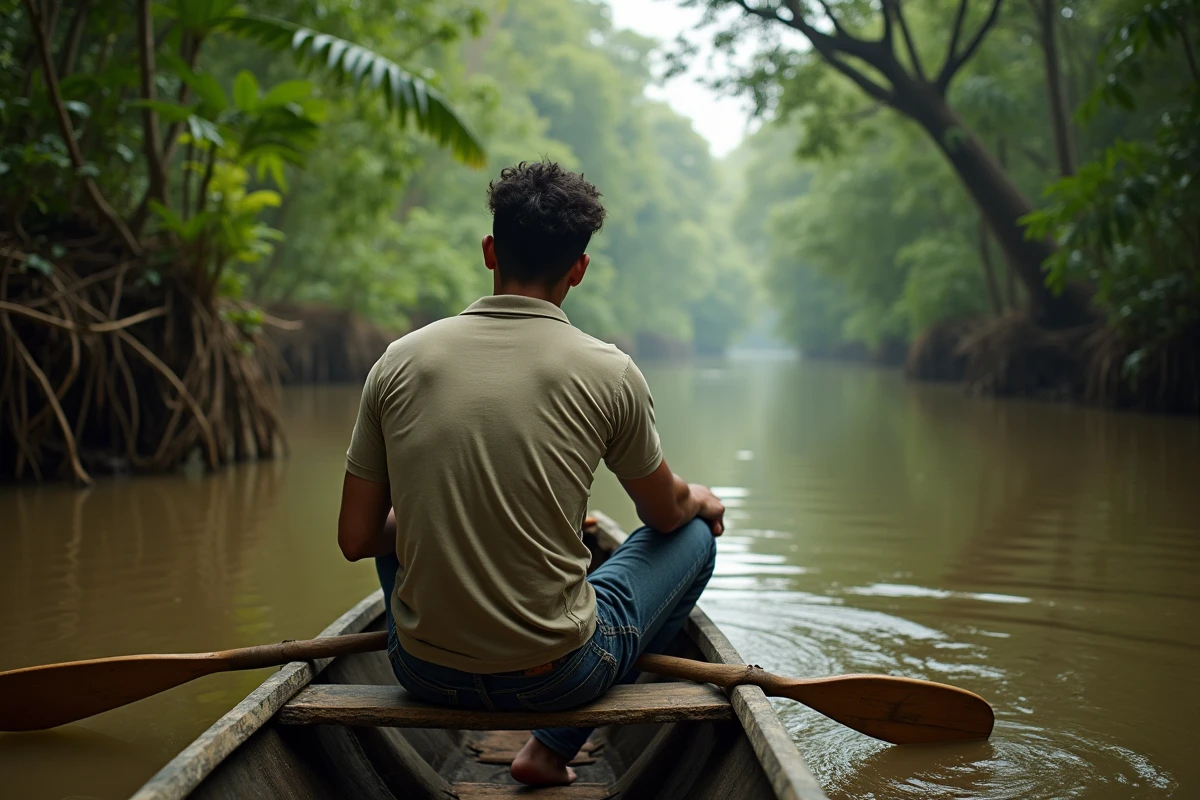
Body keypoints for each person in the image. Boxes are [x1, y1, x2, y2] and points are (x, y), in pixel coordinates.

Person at [336, 160, 725, 787]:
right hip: (559, 678)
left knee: (395, 515)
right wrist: (697, 499)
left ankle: (460, 654)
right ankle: (551, 747)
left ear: (490, 251)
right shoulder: (610, 372)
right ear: (579, 268)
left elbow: (356, 538)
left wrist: (439, 511)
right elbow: (664, 515)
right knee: (695, 537)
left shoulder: (398, 362)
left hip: (422, 671)